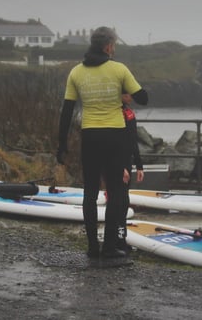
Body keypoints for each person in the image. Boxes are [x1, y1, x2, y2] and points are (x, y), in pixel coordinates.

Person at [56, 26, 148, 261]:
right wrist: (121, 90)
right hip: (115, 136)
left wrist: (61, 143)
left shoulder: (76, 72)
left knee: (90, 192)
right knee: (116, 192)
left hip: (91, 136)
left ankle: (92, 248)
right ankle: (109, 247)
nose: (114, 49)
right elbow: (143, 98)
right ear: (108, 46)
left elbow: (67, 111)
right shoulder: (119, 69)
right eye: (114, 45)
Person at [117, 93, 144, 253]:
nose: (131, 97)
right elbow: (114, 142)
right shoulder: (115, 113)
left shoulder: (129, 112)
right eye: (127, 94)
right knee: (118, 201)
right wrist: (121, 167)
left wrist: (139, 165)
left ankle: (122, 239)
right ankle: (116, 240)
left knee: (124, 201)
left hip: (127, 161)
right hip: (117, 162)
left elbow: (133, 141)